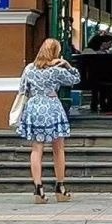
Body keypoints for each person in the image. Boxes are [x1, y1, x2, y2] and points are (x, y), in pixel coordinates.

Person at [14, 38, 81, 204]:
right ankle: (60, 188)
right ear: (55, 53)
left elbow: (22, 89)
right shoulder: (56, 70)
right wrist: (67, 64)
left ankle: (38, 189)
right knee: (58, 148)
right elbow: (76, 79)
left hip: (34, 107)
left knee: (37, 149)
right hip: (52, 107)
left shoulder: (29, 69)